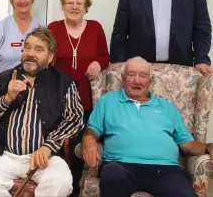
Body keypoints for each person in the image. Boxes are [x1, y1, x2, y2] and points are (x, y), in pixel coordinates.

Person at [0, 27, 84, 197]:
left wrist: (49, 146)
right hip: (3, 155)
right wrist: (7, 99)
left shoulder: (63, 83)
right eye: (28, 47)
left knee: (61, 182)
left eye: (38, 49)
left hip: (44, 156)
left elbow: (75, 119)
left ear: (50, 56)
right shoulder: (3, 79)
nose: (30, 53)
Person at [82, 56, 211, 197]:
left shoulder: (167, 107)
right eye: (131, 75)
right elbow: (93, 128)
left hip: (166, 170)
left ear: (150, 81)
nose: (137, 80)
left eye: (143, 75)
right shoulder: (108, 100)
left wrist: (208, 146)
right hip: (120, 165)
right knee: (112, 175)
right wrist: (88, 138)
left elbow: (187, 143)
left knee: (183, 193)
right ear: (123, 77)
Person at [47, 0, 109, 196]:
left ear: (86, 6)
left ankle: (73, 192)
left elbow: (105, 55)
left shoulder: (95, 28)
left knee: (76, 152)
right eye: (69, 3)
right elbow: (44, 59)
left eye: (79, 3)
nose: (74, 7)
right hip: (57, 100)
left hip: (85, 101)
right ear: (63, 5)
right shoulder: (53, 28)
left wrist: (98, 63)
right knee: (55, 150)